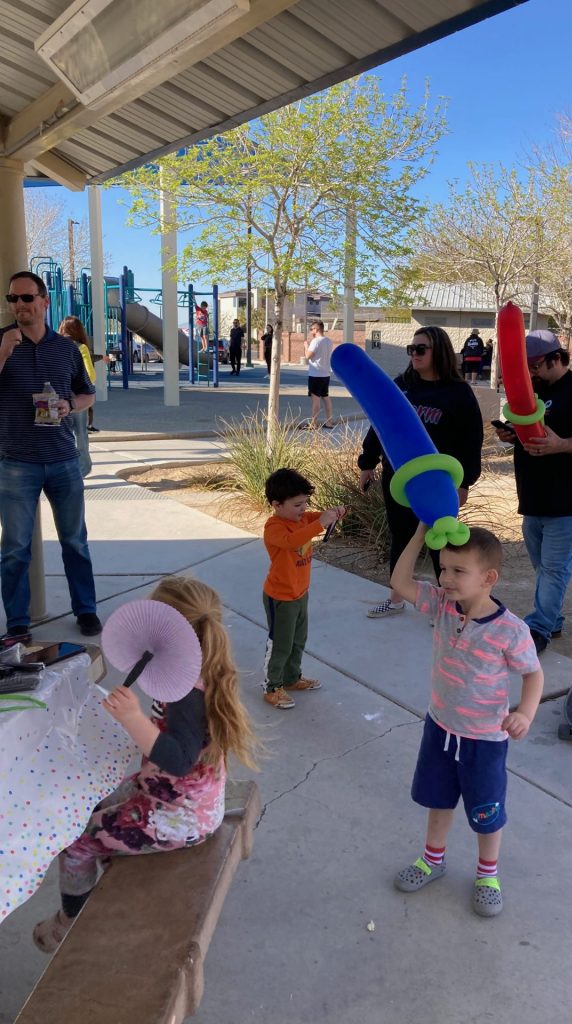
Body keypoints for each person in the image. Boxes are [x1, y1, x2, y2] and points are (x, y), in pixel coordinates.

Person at [31, 575, 262, 952]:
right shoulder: (197, 667)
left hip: (181, 816)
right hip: (173, 795)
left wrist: (133, 719)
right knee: (90, 807)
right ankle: (107, 878)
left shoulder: (189, 692)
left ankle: (70, 925)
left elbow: (180, 759)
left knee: (76, 841)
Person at [391, 524, 543, 917]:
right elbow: (399, 580)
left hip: (484, 740)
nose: (445, 578)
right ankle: (432, 860)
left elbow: (533, 673)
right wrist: (421, 532)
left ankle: (488, 875)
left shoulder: (511, 631)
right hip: (440, 727)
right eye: (443, 569)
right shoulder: (441, 605)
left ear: (488, 578)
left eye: (458, 571)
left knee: (486, 811)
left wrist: (525, 712)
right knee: (438, 800)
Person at [493, 330, 572, 654]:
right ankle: (553, 617)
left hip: (569, 499)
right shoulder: (531, 391)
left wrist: (561, 445)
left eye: (535, 365)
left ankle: (539, 628)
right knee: (543, 566)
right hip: (533, 497)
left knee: (554, 567)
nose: (531, 372)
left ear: (557, 358)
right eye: (525, 366)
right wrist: (511, 435)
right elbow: (528, 431)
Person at [0, 271, 101, 644]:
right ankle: (17, 622)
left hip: (62, 459)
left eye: (26, 298)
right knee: (14, 548)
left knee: (75, 540)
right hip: (15, 462)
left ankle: (86, 609)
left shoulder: (67, 350)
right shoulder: (3, 343)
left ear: (44, 301)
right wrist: (4, 352)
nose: (19, 306)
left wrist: (69, 404)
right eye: (13, 299)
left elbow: (87, 394)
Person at [358, 325, 483, 619]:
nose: (414, 354)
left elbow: (471, 440)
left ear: (438, 351)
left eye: (420, 349)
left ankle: (451, 607)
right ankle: (397, 597)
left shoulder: (458, 393)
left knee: (444, 543)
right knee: (401, 537)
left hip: (439, 484)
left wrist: (465, 483)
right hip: (400, 480)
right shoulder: (402, 385)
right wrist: (367, 462)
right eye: (411, 349)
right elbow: (381, 423)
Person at [262, 469, 345, 709]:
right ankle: (272, 687)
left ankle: (291, 678)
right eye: (297, 504)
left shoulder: (302, 520)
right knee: (280, 643)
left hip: (300, 594)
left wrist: (334, 513)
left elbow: (316, 519)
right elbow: (293, 541)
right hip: (280, 597)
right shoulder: (274, 527)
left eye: (305, 503)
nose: (303, 509)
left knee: (298, 640)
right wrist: (320, 523)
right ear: (277, 504)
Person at [58, 316, 96, 478]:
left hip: (58, 395)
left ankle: (66, 468)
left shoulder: (55, 346)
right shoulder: (80, 348)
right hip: (77, 397)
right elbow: (90, 375)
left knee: (61, 433)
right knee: (79, 432)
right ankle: (83, 467)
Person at [305, 320, 333, 428]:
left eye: (311, 329)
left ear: (316, 329)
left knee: (315, 399)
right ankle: (329, 422)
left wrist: (306, 346)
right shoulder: (328, 341)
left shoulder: (316, 341)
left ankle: (313, 423)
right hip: (326, 374)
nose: (311, 331)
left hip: (315, 374)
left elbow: (308, 356)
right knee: (326, 397)